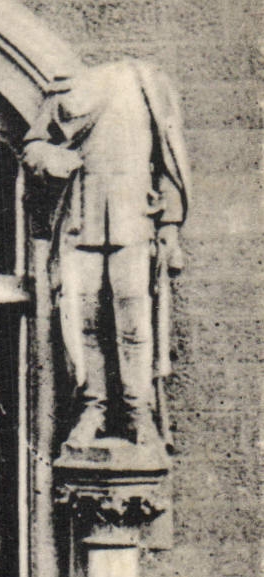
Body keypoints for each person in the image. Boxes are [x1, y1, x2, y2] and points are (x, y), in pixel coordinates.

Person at [23, 60, 188, 451]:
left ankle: (138, 410)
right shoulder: (63, 92)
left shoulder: (145, 87)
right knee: (86, 320)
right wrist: (51, 159)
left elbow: (168, 163)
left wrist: (169, 226)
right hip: (80, 219)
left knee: (134, 320)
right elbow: (33, 146)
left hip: (133, 217)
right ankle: (93, 407)